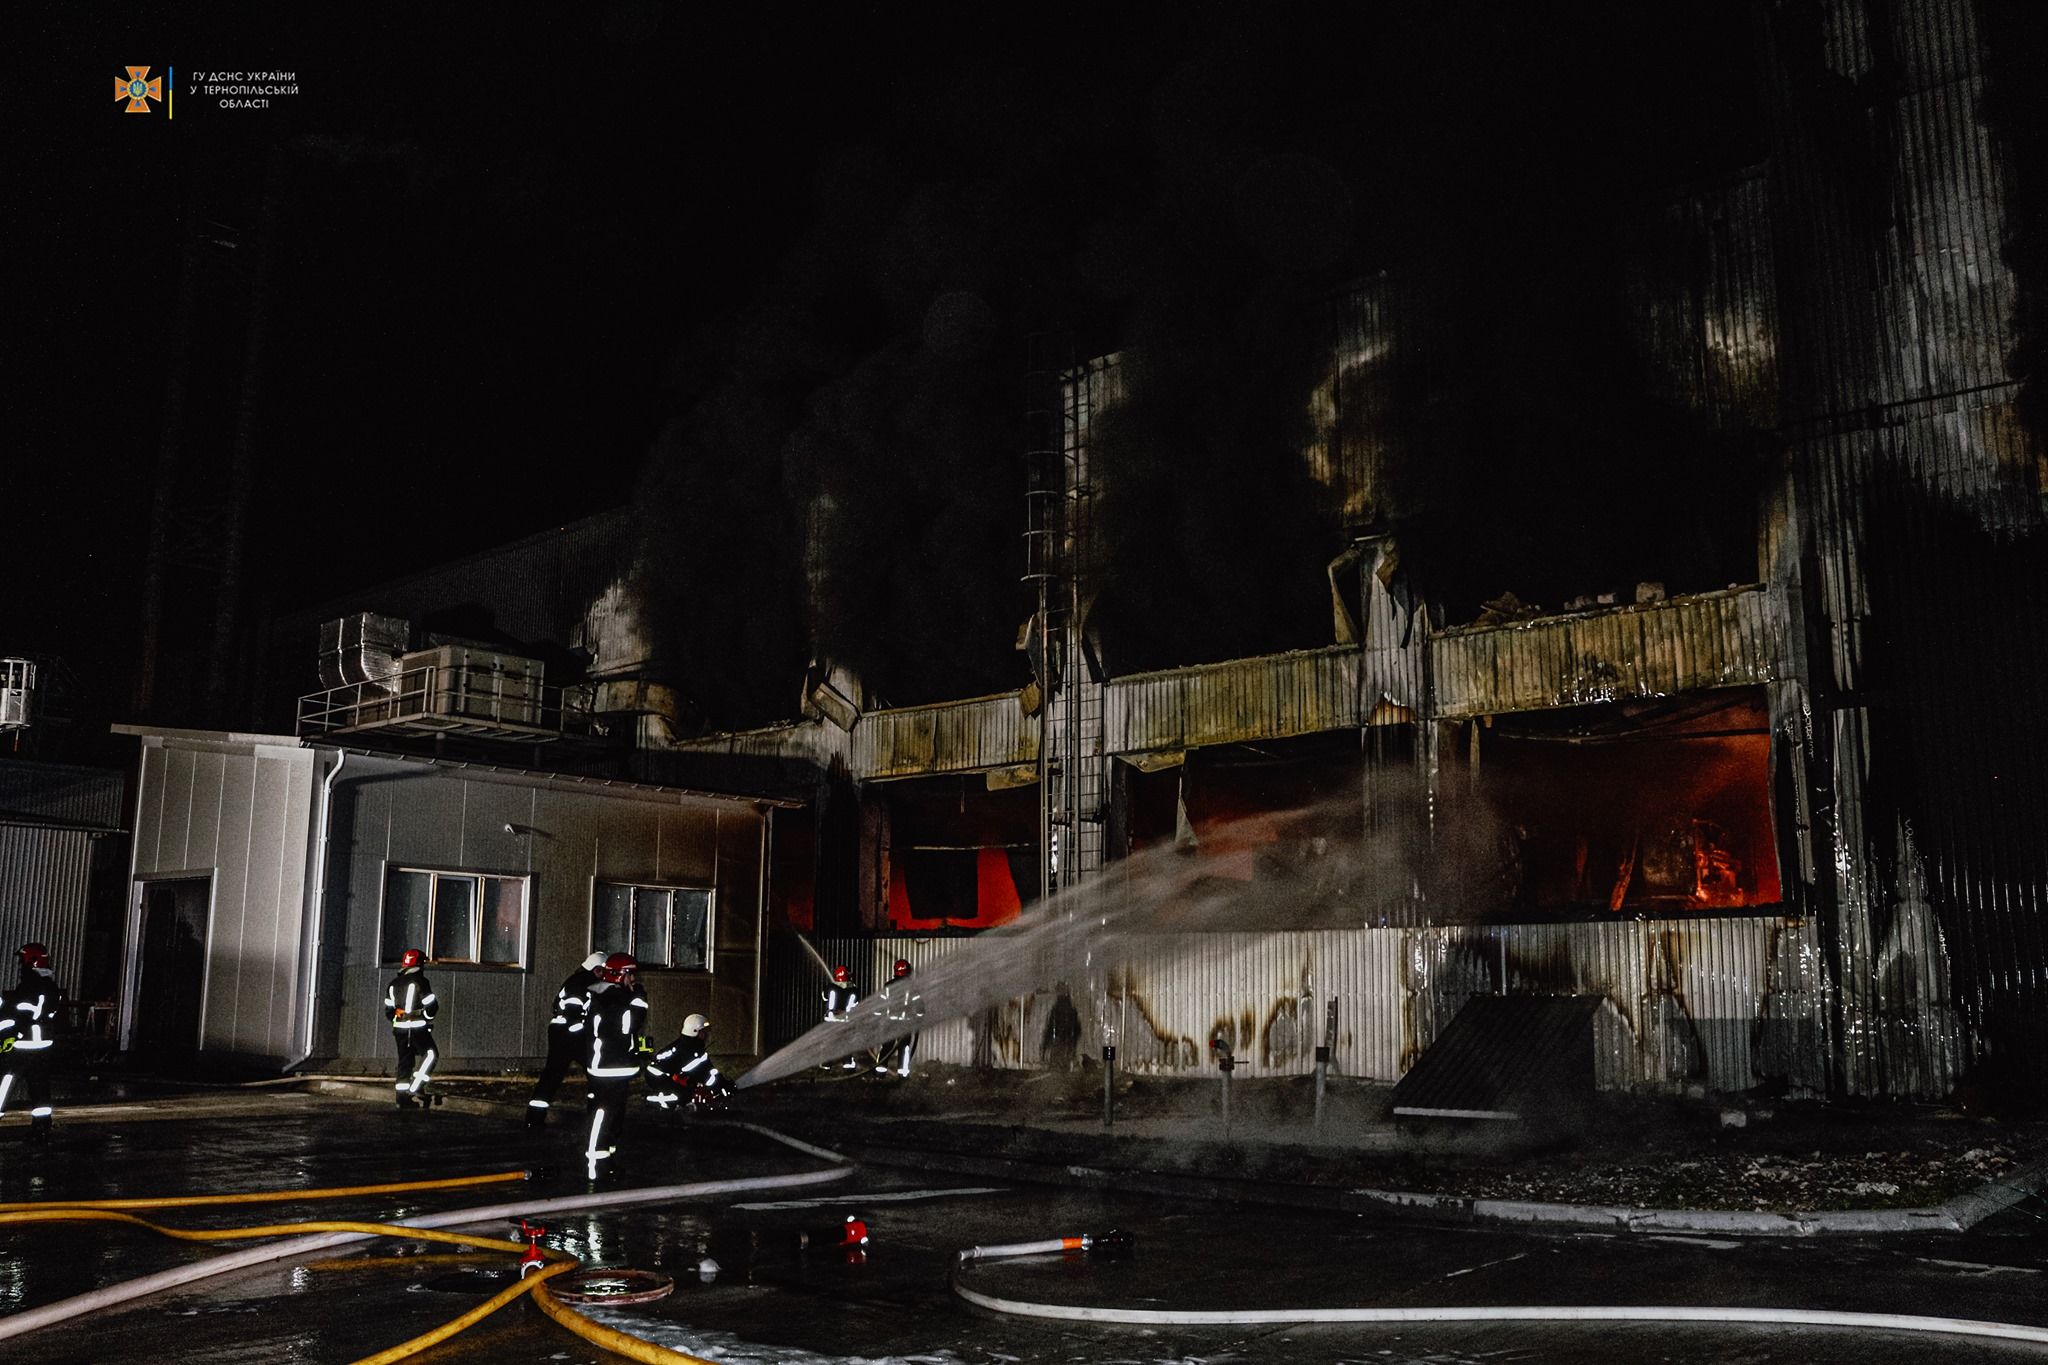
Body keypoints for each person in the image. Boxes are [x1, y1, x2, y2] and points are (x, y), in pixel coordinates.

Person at [579, 952, 649, 1180]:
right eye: (630, 974)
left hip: (616, 1067)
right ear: (619, 975)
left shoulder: (608, 995)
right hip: (607, 1068)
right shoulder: (612, 998)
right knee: (603, 1116)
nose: (633, 980)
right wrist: (638, 999)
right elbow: (628, 1025)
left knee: (614, 1119)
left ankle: (607, 1161)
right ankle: (595, 1165)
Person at [528, 951, 605, 1129]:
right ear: (596, 970)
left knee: (551, 1076)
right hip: (569, 1034)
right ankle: (594, 1117)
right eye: (603, 971)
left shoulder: (579, 981)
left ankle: (534, 1119)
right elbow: (574, 1013)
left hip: (562, 1033)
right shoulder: (580, 984)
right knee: (595, 1072)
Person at [0, 942, 59, 1145]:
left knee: (5, 1082)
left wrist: (8, 1033)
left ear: (30, 961)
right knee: (39, 1087)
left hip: (24, 1043)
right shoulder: (50, 986)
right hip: (44, 1045)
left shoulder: (30, 985)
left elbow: (18, 1015)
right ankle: (42, 1127)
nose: (20, 965)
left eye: (22, 960)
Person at [382, 948, 440, 1108]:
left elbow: (388, 1011)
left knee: (405, 1062)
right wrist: (427, 1018)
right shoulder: (421, 981)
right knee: (430, 1054)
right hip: (417, 1027)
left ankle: (401, 1099)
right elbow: (431, 1007)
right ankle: (417, 1087)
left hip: (399, 1029)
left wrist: (398, 1020)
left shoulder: (392, 984)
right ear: (419, 964)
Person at [646, 1013, 731, 1111]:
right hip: (657, 1077)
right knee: (682, 1096)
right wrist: (722, 1086)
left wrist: (722, 1083)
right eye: (703, 1032)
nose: (706, 1035)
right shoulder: (688, 1051)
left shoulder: (694, 1048)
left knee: (690, 1090)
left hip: (668, 1076)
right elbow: (704, 1074)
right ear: (695, 1032)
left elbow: (708, 1070)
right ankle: (655, 1101)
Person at [875, 957, 920, 1079]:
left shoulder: (888, 986)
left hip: (890, 1023)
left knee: (886, 1047)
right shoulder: (912, 987)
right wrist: (919, 1016)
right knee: (904, 1049)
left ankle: (880, 1071)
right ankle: (903, 1074)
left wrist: (878, 1018)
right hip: (905, 1023)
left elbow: (880, 1005)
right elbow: (919, 1005)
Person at [821, 963, 863, 1072]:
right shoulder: (854, 989)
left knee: (830, 1042)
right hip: (846, 1019)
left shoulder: (830, 987)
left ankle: (826, 1064)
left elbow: (824, 997)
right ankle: (848, 1064)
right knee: (846, 1042)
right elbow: (856, 1003)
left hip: (831, 1019)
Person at [1042, 981, 1082, 1073]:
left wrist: (1046, 1045)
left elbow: (1051, 1029)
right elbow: (1077, 1030)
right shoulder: (1070, 1010)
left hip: (1060, 1044)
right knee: (1062, 1068)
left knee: (1057, 1067)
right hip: (1065, 1045)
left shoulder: (1058, 1010)